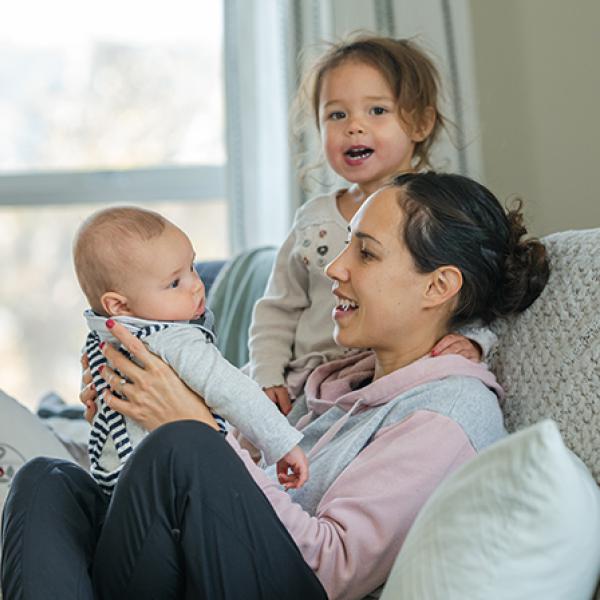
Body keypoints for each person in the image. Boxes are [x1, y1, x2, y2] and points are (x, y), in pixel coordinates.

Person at [1, 172, 549, 600]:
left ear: (439, 286)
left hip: (289, 587)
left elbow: (331, 569)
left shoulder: (446, 413)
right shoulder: (328, 379)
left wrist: (192, 429)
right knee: (47, 480)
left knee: (187, 444)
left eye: (365, 252)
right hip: (210, 564)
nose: (334, 268)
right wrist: (127, 411)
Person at [247, 36, 495, 415]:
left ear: (421, 123)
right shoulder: (313, 220)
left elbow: (474, 293)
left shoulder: (438, 216)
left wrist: (475, 342)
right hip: (305, 386)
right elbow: (277, 309)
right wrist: (267, 376)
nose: (354, 127)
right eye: (336, 115)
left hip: (381, 381)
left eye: (377, 110)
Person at [72, 206, 308, 494]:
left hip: (111, 477)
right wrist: (282, 443)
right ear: (119, 306)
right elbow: (233, 391)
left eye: (192, 268)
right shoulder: (174, 338)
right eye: (175, 283)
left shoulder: (102, 336)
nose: (196, 286)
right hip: (165, 482)